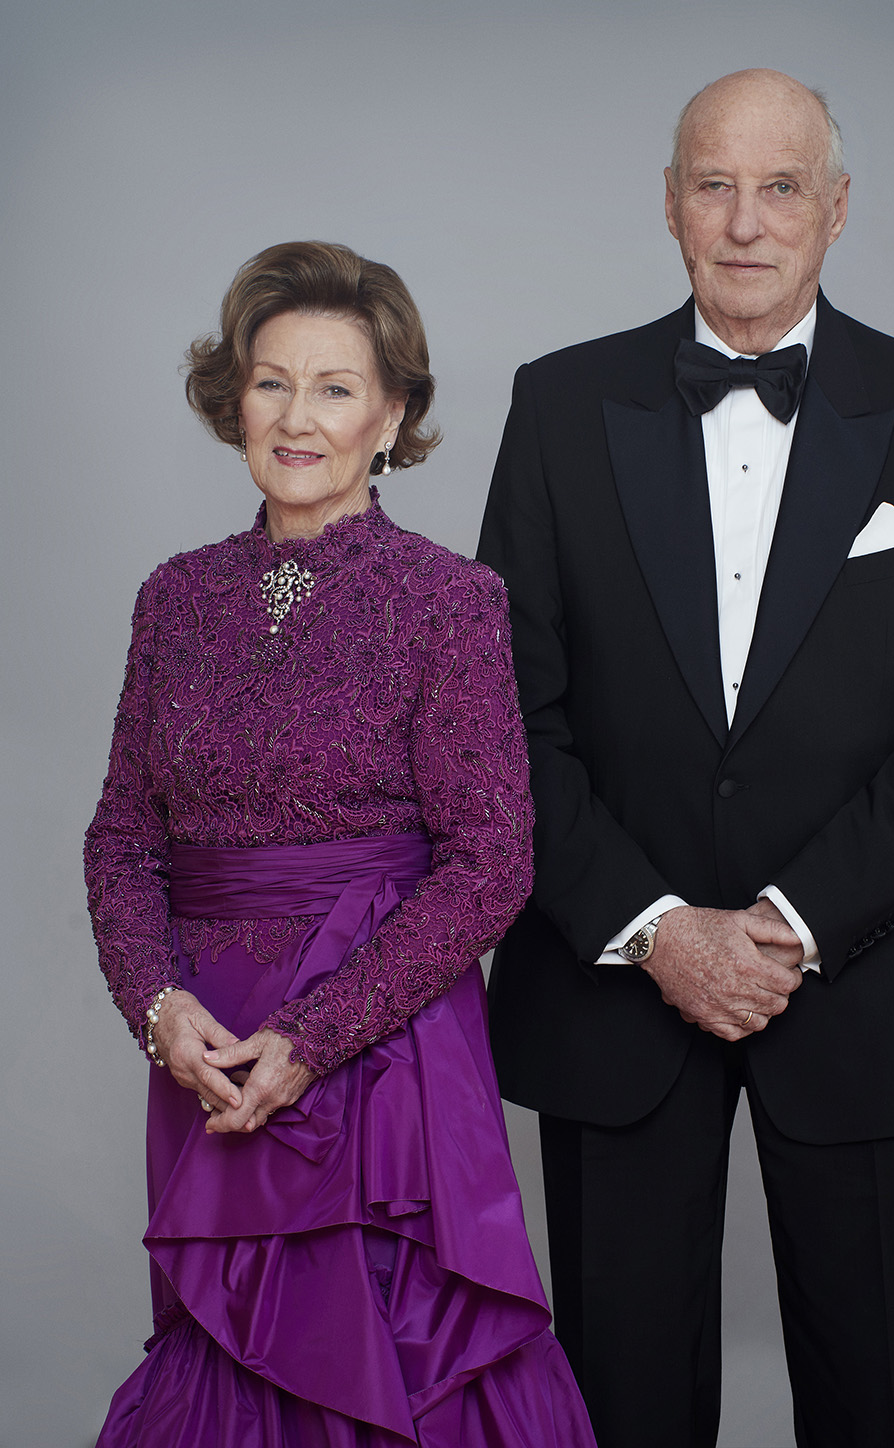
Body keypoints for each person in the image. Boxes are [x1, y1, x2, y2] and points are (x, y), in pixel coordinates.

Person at [477, 69, 894, 1448]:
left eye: (778, 185)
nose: (743, 221)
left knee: (882, 1405)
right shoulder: (555, 408)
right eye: (712, 185)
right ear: (666, 207)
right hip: (614, 986)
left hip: (861, 982)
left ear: (834, 211)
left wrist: (788, 926)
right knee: (618, 1407)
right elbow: (501, 710)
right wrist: (654, 927)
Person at [84, 240, 596, 1447]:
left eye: (333, 386)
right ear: (235, 403)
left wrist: (312, 1039)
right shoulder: (174, 595)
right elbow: (122, 835)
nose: (297, 417)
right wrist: (157, 1006)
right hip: (207, 1046)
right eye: (271, 382)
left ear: (392, 413)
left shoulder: (448, 599)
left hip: (383, 1058)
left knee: (393, 1360)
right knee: (223, 1360)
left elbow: (491, 861)